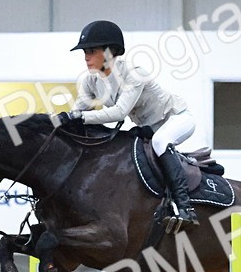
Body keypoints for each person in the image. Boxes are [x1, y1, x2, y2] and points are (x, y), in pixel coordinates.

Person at [60, 20, 199, 231]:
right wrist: (58, 122)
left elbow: (119, 113)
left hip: (177, 119)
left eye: (91, 50)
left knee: (161, 142)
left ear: (109, 52)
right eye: (84, 52)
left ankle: (185, 207)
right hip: (147, 129)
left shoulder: (135, 73)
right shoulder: (91, 82)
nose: (86, 56)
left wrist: (80, 118)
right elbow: (78, 112)